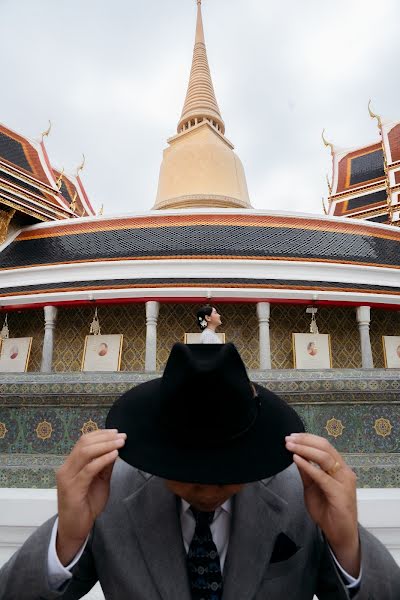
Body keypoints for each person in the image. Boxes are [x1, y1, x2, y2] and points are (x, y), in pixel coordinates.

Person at [1, 343, 399, 599]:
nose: (208, 488)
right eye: (188, 470)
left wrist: (347, 545)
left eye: (226, 472)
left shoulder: (302, 494)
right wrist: (67, 538)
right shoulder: (108, 497)